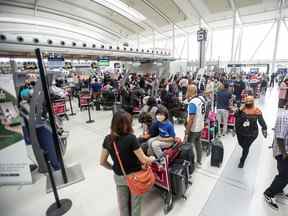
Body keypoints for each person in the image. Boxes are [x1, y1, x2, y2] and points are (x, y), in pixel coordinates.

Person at [100, 111, 154, 216]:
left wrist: (114, 168)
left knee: (123, 206)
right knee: (135, 205)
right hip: (135, 177)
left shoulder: (108, 139)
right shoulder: (131, 138)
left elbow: (102, 162)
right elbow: (144, 160)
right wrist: (151, 158)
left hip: (119, 177)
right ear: (126, 124)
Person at [263, 104, 288, 210]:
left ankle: (279, 189)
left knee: (284, 173)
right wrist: (284, 154)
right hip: (283, 152)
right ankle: (269, 193)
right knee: (285, 174)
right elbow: (280, 137)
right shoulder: (284, 117)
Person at [235, 96, 267, 168]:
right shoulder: (242, 110)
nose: (248, 104)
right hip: (240, 132)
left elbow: (261, 121)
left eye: (250, 102)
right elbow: (235, 115)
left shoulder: (257, 110)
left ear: (253, 103)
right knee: (241, 144)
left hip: (251, 134)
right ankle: (245, 150)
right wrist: (240, 109)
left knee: (246, 147)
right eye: (247, 102)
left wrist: (264, 129)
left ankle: (242, 161)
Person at [185, 84, 205, 166]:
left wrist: (187, 132)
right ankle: (199, 160)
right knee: (198, 143)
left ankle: (191, 164)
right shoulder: (201, 99)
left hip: (193, 128)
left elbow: (191, 119)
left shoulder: (192, 103)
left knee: (189, 147)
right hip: (201, 125)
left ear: (189, 91)